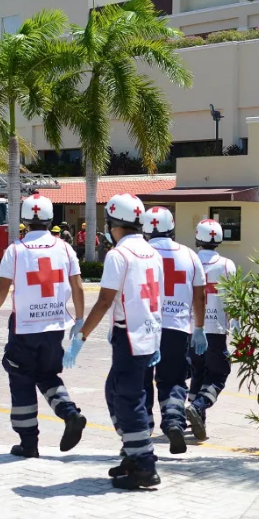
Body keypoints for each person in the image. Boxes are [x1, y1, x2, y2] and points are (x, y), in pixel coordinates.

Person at [0, 192, 87, 458]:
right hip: (54, 328)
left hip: (24, 329)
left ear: (25, 220)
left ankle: (29, 444)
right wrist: (80, 319)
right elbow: (77, 285)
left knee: (21, 378)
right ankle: (70, 413)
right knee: (48, 375)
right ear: (50, 220)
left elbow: (2, 289)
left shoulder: (16, 250)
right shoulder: (65, 248)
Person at [65, 193, 164, 490]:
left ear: (115, 224)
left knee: (127, 400)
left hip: (129, 336)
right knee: (116, 391)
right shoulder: (151, 252)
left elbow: (105, 300)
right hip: (149, 334)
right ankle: (133, 454)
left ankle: (144, 465)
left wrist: (81, 336)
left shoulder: (118, 255)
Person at [141, 206, 207, 454]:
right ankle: (174, 422)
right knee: (173, 381)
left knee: (142, 379)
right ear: (172, 227)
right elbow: (199, 298)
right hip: (178, 329)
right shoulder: (190, 255)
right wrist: (198, 328)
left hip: (145, 328)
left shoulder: (140, 253)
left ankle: (142, 426)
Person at [186, 219, 235, 442]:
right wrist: (236, 323)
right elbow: (233, 298)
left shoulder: (190, 261)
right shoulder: (227, 265)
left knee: (198, 372)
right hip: (216, 330)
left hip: (192, 328)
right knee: (218, 374)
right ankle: (199, 406)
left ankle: (198, 419)